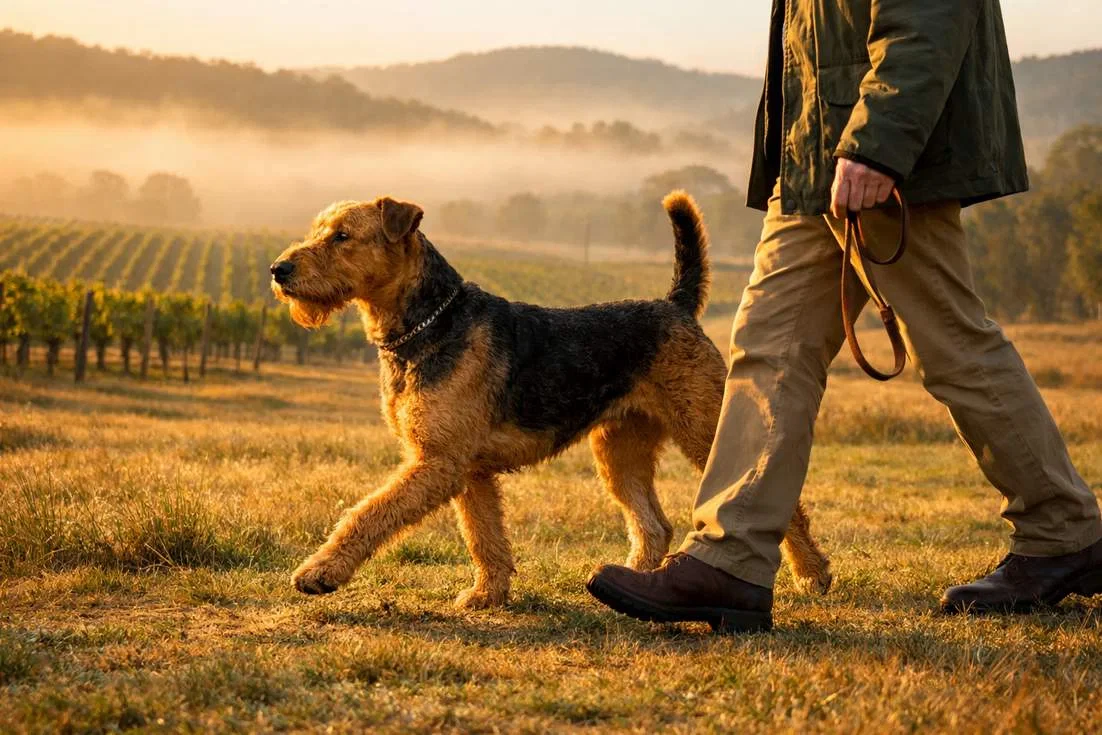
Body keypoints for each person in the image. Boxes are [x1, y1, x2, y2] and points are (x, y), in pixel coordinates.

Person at [585, 0, 1102, 633]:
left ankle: (1062, 532)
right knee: (768, 352)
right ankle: (731, 558)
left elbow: (929, 13)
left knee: (953, 346)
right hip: (813, 153)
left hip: (874, 155)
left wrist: (878, 146)